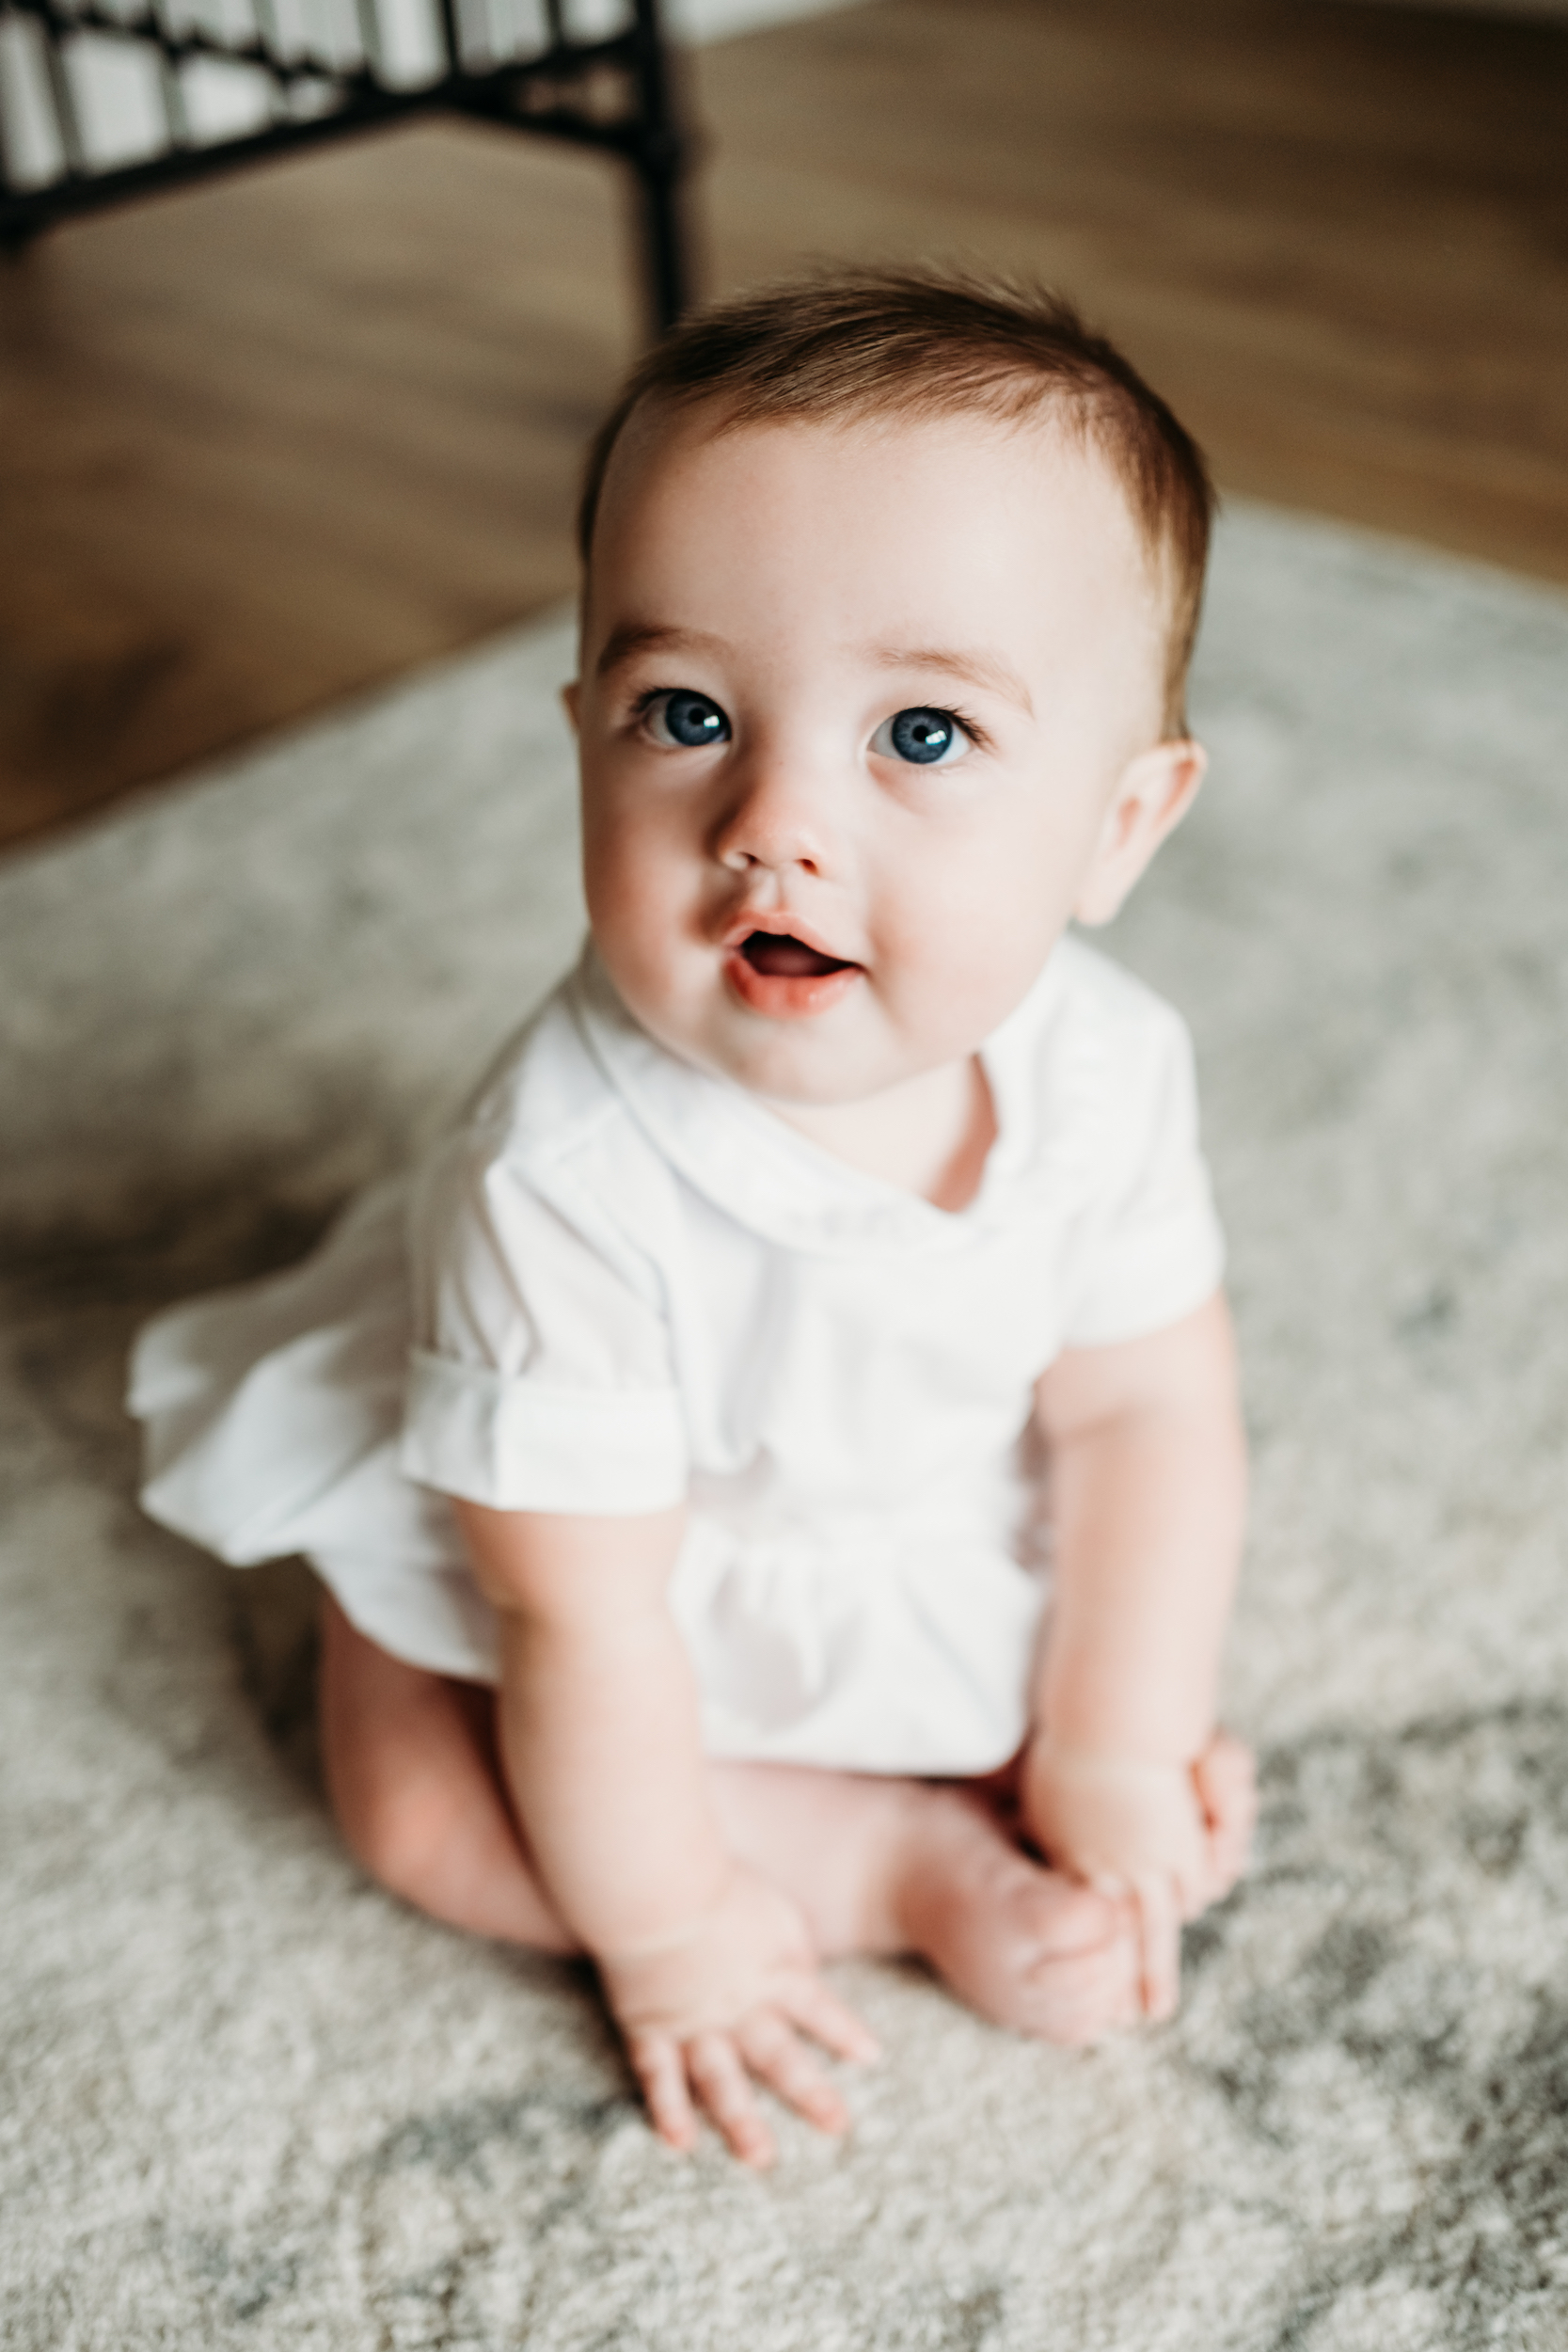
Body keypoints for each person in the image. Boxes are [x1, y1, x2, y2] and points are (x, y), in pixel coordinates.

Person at [130, 269, 1256, 2171]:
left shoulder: (1113, 1070)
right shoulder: (556, 1181)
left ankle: (959, 1776)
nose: (774, 816)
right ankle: (885, 1867)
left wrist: (1116, 1740)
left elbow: (1148, 1410)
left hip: (864, 1489)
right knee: (419, 1812)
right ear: (580, 729)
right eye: (683, 709)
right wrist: (671, 1934)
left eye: (921, 735)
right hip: (554, 1540)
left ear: (1120, 826)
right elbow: (580, 1615)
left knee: (1049, 1684)